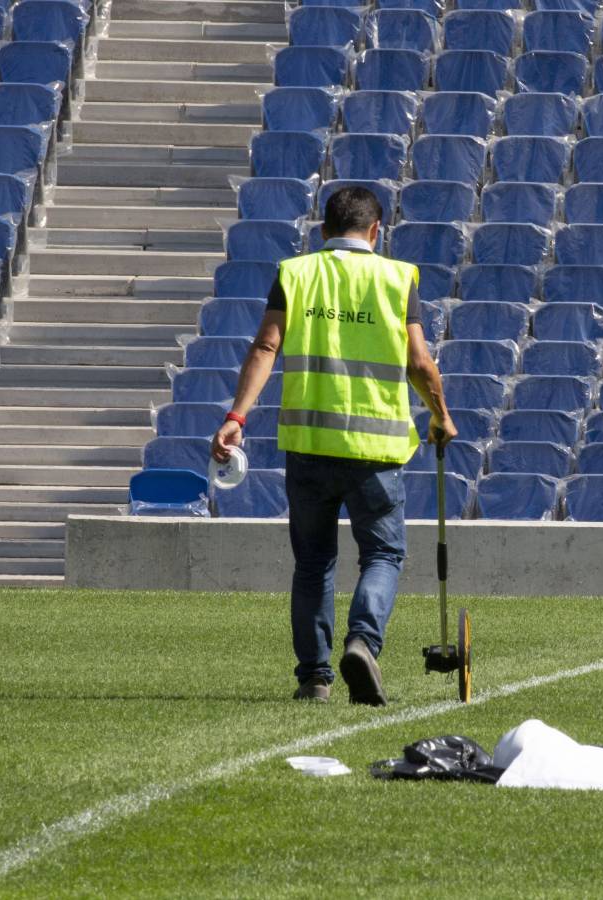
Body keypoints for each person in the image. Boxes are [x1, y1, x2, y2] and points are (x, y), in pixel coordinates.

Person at [211, 186, 457, 706]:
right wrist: (440, 416)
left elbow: (266, 345)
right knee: (383, 554)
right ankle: (362, 642)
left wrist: (236, 417)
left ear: (322, 231)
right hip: (376, 450)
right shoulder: (398, 277)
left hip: (309, 446)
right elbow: (419, 362)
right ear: (376, 230)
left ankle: (315, 679)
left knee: (313, 562)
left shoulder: (296, 273)